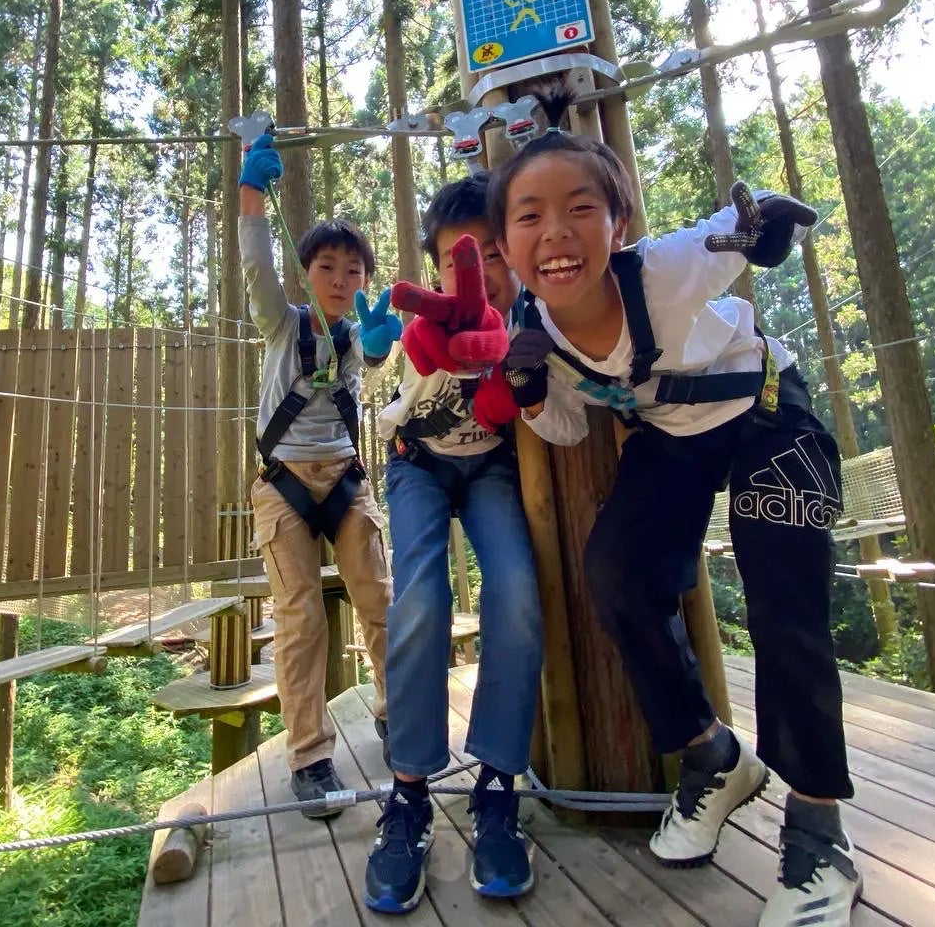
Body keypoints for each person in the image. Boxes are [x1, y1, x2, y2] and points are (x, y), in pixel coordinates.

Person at [488, 90, 860, 927]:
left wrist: (763, 227)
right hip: (674, 432)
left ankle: (819, 829)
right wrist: (523, 384)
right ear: (507, 244)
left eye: (581, 209)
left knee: (784, 608)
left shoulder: (661, 266)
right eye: (529, 216)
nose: (555, 233)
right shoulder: (531, 325)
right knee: (615, 573)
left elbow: (736, 236)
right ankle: (712, 756)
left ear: (618, 224)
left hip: (767, 408)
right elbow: (563, 420)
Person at [362, 172, 542, 913]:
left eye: (493, 252)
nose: (478, 272)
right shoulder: (423, 327)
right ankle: (409, 796)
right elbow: (380, 362)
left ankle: (498, 788)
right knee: (421, 602)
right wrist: (380, 341)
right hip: (419, 469)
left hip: (495, 467)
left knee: (518, 595)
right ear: (437, 270)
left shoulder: (537, 317)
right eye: (457, 258)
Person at [238, 133, 402, 817]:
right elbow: (256, 268)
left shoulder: (364, 330)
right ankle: (309, 757)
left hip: (345, 479)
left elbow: (375, 357)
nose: (340, 280)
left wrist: (376, 347)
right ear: (307, 275)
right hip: (282, 485)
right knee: (301, 620)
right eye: (327, 267)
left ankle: (400, 718)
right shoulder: (283, 323)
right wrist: (251, 193)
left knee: (382, 602)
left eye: (353, 270)